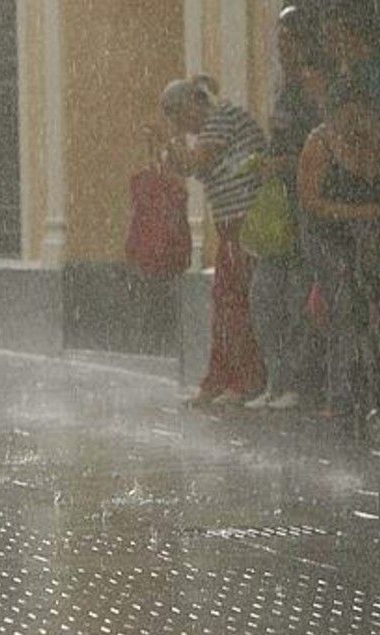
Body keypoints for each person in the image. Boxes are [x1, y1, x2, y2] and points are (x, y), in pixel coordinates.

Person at [150, 76, 267, 407]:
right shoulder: (208, 129)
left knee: (236, 304)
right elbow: (183, 166)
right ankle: (221, 379)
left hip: (247, 223)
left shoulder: (221, 119)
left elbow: (190, 163)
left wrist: (170, 139)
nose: (181, 125)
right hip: (231, 225)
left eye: (179, 115)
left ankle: (244, 380)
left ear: (194, 103)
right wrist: (167, 147)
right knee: (227, 302)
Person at [245, 2, 328, 411]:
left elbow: (323, 145)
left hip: (304, 203)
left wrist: (286, 163)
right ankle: (275, 378)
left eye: (290, 40)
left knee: (298, 293)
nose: (282, 48)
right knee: (265, 296)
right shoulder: (283, 87)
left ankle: (296, 380)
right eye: (280, 41)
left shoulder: (313, 86)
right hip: (278, 204)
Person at [298, 90, 380, 423]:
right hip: (327, 239)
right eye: (348, 112)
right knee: (343, 311)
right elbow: (310, 200)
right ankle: (341, 395)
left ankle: (370, 391)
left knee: (367, 311)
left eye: (360, 111)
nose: (355, 119)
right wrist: (354, 212)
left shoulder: (371, 139)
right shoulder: (320, 143)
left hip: (362, 239)